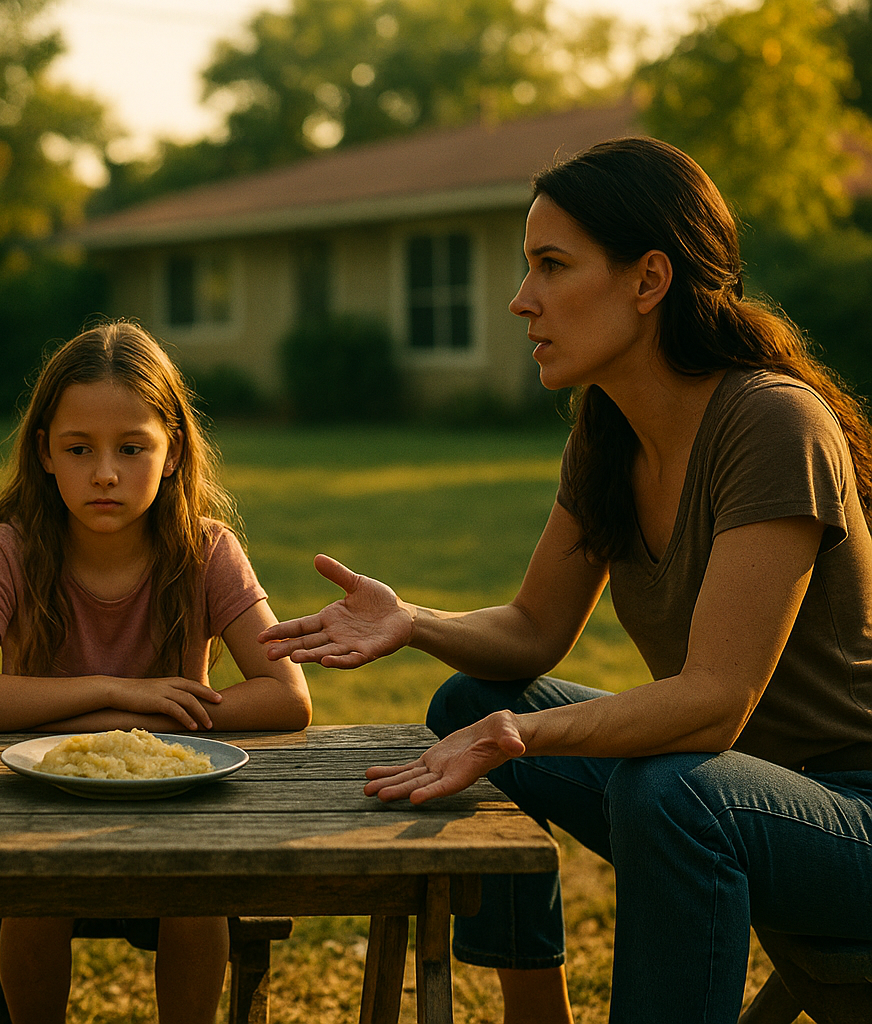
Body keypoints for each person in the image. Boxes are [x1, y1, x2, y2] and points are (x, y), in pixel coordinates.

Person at [259, 136, 872, 1024]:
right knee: (471, 701)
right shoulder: (608, 431)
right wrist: (415, 620)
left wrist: (524, 733)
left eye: (551, 265)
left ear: (648, 279)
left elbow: (714, 703)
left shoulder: (774, 424)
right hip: (742, 787)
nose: (521, 300)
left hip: (848, 816)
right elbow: (534, 632)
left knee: (671, 789)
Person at [0, 321, 311, 1024]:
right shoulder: (13, 549)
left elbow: (286, 697)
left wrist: (127, 728)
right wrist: (116, 693)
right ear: (45, 452)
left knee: (196, 892)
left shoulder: (205, 548)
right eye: (80, 450)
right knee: (34, 891)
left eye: (132, 448)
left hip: (179, 805)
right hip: (44, 805)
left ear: (172, 455)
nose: (105, 473)